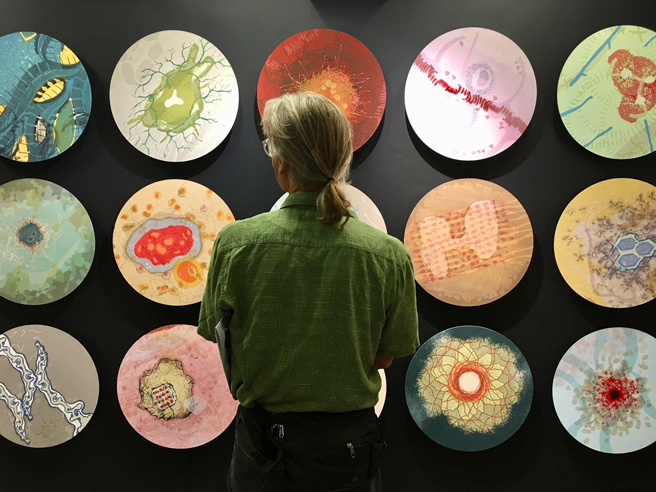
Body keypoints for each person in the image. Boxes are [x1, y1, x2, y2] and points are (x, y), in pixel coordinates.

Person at [198, 91, 419, 492]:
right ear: (342, 160)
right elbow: (385, 356)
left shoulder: (236, 244)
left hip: (263, 450)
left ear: (282, 164)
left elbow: (220, 335)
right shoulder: (389, 255)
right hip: (348, 453)